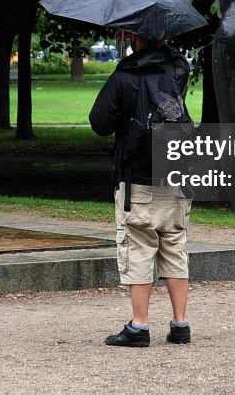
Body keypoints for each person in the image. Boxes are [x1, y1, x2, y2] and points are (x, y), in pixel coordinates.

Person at [89, 30, 192, 347]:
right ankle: (180, 325)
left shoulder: (125, 75)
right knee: (175, 247)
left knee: (138, 247)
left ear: (134, 36)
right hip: (176, 171)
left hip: (137, 178)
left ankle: (139, 326)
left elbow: (100, 123)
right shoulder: (179, 67)